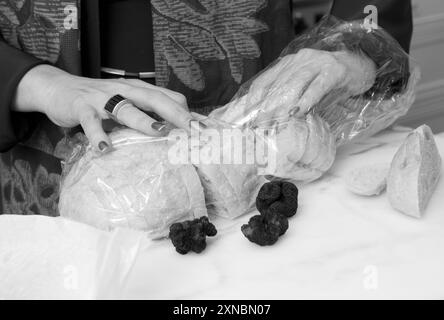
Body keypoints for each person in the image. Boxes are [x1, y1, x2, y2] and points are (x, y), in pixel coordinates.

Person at [0, 0, 412, 216]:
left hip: (256, 115)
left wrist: (356, 52)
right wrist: (33, 81)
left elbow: (370, 13)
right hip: (41, 134)